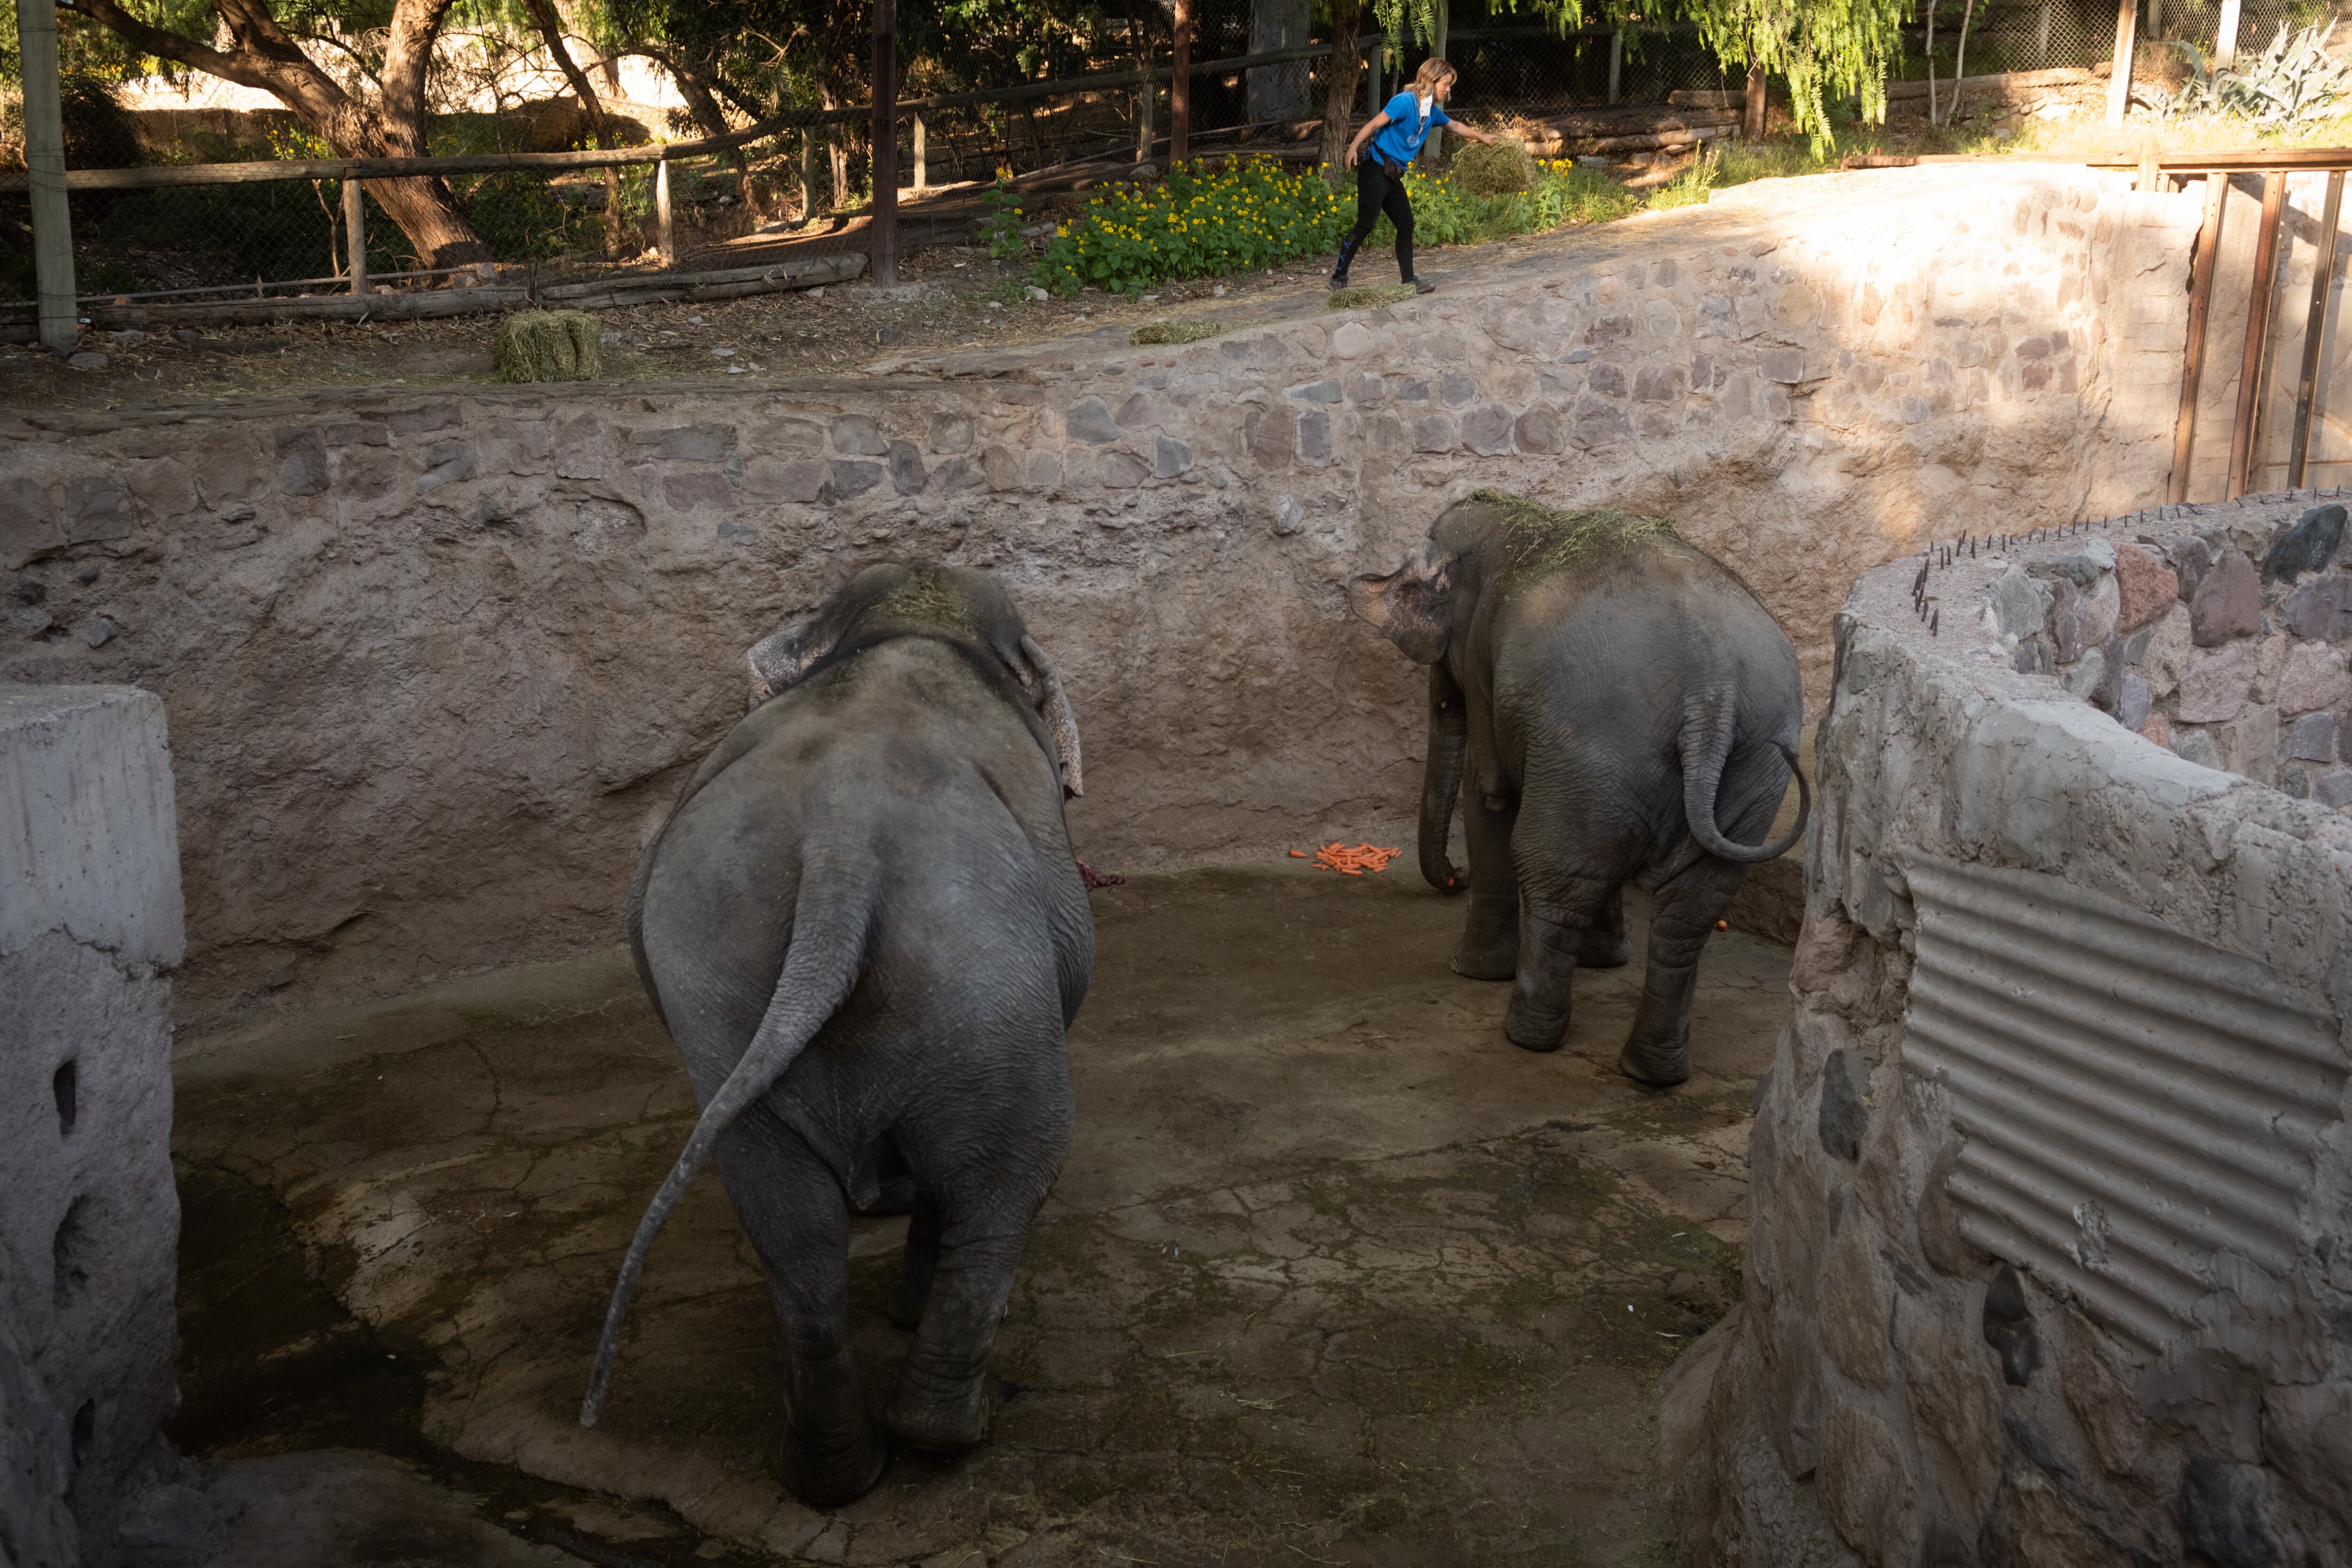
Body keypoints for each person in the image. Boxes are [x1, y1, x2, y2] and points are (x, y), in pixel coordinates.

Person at [1332, 58, 1499, 295]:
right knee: (1366, 223)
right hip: (1376, 168)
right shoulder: (1404, 102)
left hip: (1392, 175)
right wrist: (1352, 147)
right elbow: (1372, 125)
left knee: (1406, 224)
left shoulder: (1431, 111)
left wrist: (1482, 137)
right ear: (1431, 81)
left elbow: (1456, 127)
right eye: (1446, 84)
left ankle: (1409, 281)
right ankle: (1339, 277)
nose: (1449, 89)